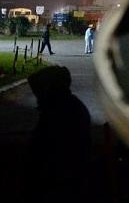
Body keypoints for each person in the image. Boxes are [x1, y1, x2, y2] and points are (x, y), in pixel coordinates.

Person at [25, 66, 91, 203]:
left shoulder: (59, 111)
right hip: (69, 174)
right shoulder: (68, 105)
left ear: (50, 89)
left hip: (62, 180)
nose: (38, 98)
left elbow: (43, 148)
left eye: (40, 92)